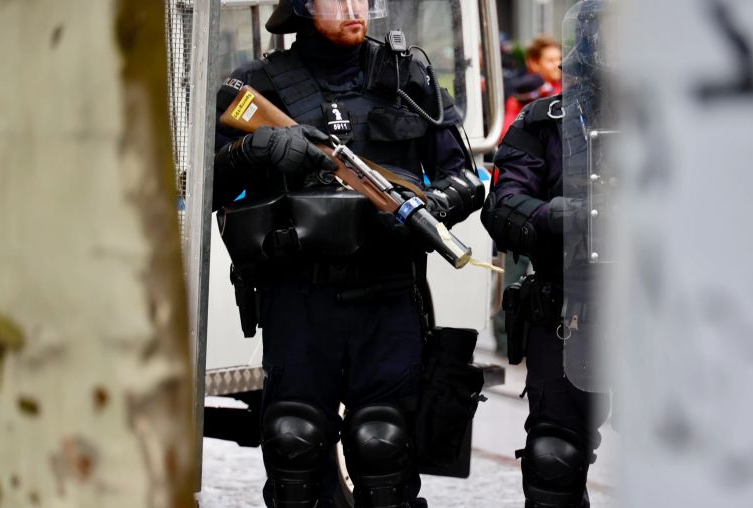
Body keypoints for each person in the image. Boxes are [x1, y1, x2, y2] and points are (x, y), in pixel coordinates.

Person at [212, 0, 484, 506]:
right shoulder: (258, 84)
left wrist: (433, 205)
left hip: (388, 293)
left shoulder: (408, 78)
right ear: (301, 8)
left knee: (383, 444)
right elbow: (202, 184)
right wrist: (256, 151)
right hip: (299, 295)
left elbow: (466, 177)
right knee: (294, 440)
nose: (355, 8)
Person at [481, 1, 611, 506]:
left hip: (665, 308)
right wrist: (568, 214)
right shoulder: (542, 122)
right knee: (553, 454)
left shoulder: (686, 118)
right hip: (568, 307)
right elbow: (503, 206)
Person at [500, 35, 564, 139]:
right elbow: (508, 135)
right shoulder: (522, 94)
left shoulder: (563, 89)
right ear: (534, 63)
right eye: (550, 60)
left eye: (559, 59)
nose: (557, 64)